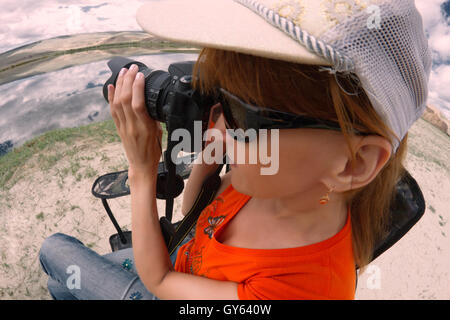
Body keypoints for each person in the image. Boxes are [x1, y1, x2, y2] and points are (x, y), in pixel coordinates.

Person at [39, 0, 431, 299]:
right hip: (174, 265)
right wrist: (210, 153)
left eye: (243, 112)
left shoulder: (307, 286)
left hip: (165, 283)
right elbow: (197, 217)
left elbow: (159, 281)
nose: (216, 122)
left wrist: (141, 171)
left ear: (353, 162)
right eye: (217, 95)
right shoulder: (278, 183)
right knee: (65, 287)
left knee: (54, 251)